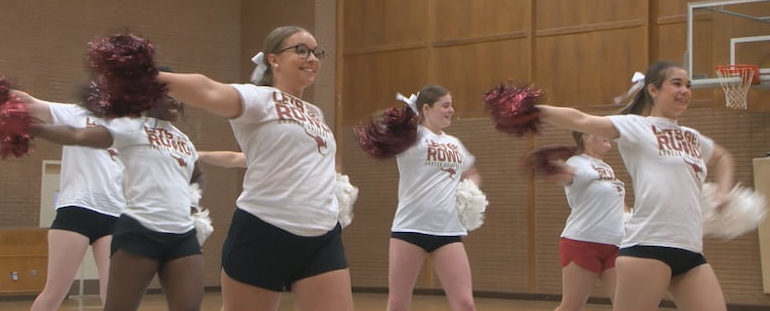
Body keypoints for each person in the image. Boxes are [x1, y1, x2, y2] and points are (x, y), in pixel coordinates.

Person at [156, 26, 353, 311]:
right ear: (273, 59)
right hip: (265, 232)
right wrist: (146, 78)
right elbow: (207, 89)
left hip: (322, 236)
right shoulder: (258, 99)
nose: (312, 58)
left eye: (316, 52)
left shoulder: (315, 113)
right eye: (301, 50)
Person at [534, 61, 734, 311]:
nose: (684, 90)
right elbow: (580, 119)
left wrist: (723, 193)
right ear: (653, 90)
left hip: (690, 248)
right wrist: (534, 109)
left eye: (688, 85)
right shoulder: (636, 127)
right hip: (648, 246)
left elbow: (723, 157)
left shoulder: (692, 137)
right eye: (676, 84)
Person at [30, 93, 208, 311]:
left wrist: (192, 202)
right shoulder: (129, 127)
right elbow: (76, 134)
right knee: (56, 293)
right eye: (169, 96)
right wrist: (32, 127)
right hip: (87, 212)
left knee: (112, 294)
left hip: (122, 215)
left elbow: (198, 174)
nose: (177, 102)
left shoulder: (182, 139)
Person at [12, 91, 125, 311]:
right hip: (77, 209)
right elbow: (30, 103)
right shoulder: (76, 113)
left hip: (115, 214)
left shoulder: (128, 127)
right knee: (54, 293)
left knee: (115, 297)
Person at [387, 85, 480, 311]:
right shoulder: (411, 137)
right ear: (426, 109)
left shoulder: (454, 143)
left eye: (451, 105)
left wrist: (469, 195)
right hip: (410, 229)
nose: (451, 110)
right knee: (398, 303)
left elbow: (472, 173)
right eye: (445, 105)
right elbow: (386, 135)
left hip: (447, 231)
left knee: (465, 303)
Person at [549, 131, 625, 311]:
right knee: (571, 307)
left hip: (615, 244)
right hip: (583, 243)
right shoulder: (576, 163)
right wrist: (554, 169)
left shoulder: (606, 167)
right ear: (587, 136)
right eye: (601, 130)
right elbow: (567, 177)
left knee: (626, 305)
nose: (608, 134)